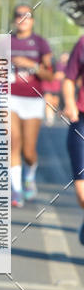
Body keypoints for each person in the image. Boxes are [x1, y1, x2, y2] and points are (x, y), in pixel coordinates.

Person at [9, 4, 53, 206]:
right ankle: (16, 190)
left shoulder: (41, 43)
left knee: (28, 150)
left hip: (33, 99)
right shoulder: (5, 42)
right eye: (19, 15)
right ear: (14, 19)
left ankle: (30, 176)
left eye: (27, 16)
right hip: (9, 98)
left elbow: (49, 74)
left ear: (32, 20)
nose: (23, 19)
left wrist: (31, 65)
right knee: (13, 143)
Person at [62, 39, 84, 242]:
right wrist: (70, 103)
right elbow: (69, 78)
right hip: (82, 120)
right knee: (82, 191)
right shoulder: (82, 43)